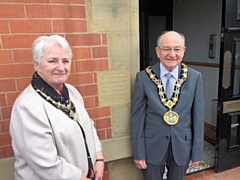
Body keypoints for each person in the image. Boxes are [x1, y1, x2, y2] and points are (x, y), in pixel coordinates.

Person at [10, 35, 104, 180]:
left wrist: (98, 158)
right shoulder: (27, 106)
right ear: (37, 65)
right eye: (52, 61)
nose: (61, 67)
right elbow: (46, 164)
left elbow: (88, 126)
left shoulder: (72, 92)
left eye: (65, 61)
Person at [130, 31, 204, 180]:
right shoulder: (144, 78)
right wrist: (138, 153)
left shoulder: (195, 78)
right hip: (152, 146)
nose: (172, 54)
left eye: (177, 49)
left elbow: (198, 116)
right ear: (158, 52)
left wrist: (196, 152)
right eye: (166, 49)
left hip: (182, 145)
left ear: (183, 51)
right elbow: (137, 119)